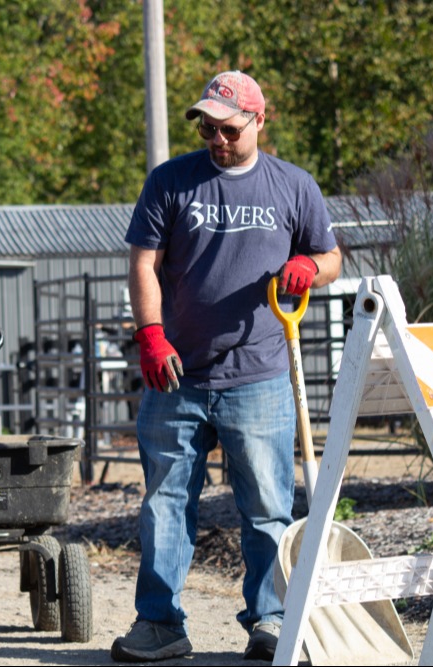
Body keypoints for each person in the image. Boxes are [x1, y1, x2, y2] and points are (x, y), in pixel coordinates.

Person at [111, 71, 342, 663]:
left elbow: (331, 254)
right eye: (208, 128)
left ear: (259, 121)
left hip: (259, 372)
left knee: (266, 504)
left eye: (229, 129)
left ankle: (271, 620)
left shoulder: (293, 185)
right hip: (177, 375)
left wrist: (309, 270)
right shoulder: (171, 182)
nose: (217, 138)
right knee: (165, 502)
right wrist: (152, 335)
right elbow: (143, 263)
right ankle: (160, 625)